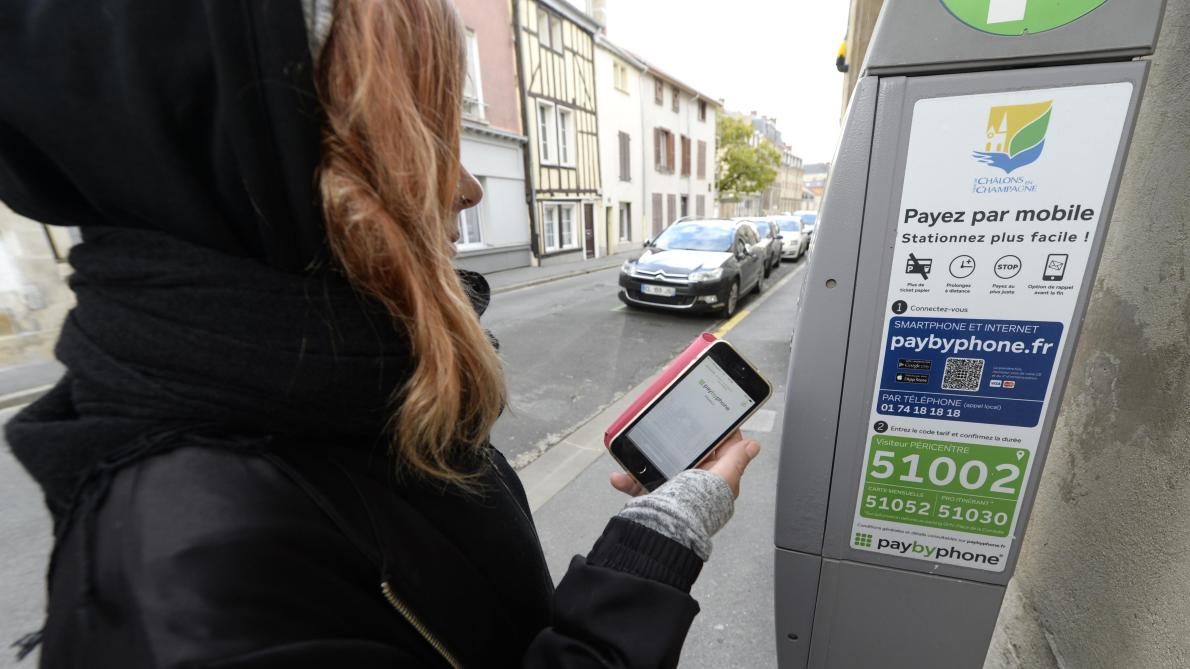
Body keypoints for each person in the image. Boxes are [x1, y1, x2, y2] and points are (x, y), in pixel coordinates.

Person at [0, 1, 761, 667]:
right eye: (420, 136)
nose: (465, 188)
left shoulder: (345, 377)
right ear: (269, 164)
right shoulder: (190, 570)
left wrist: (640, 553)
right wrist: (652, 554)